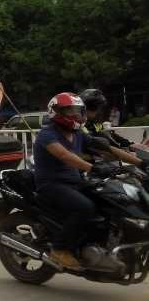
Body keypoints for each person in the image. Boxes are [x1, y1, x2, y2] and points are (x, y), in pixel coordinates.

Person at [33, 92, 142, 269]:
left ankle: (97, 244)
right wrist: (92, 168)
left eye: (78, 110)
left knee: (111, 199)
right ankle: (59, 249)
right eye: (70, 111)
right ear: (56, 112)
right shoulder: (47, 134)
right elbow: (64, 155)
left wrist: (140, 162)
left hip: (75, 181)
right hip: (52, 184)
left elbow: (108, 148)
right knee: (85, 207)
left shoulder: (78, 134)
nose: (75, 115)